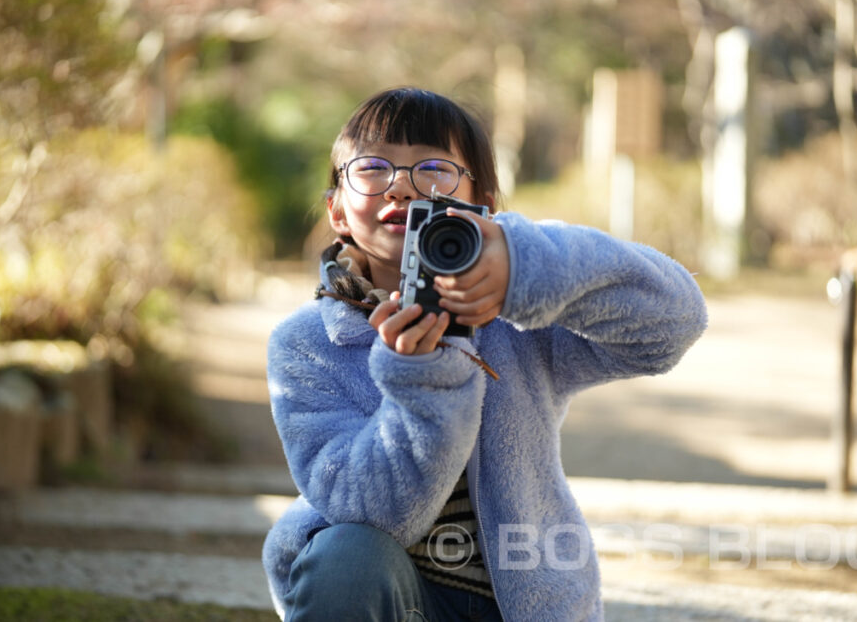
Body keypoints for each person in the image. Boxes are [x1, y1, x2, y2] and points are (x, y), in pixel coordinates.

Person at [261, 87, 707, 621]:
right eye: (373, 168)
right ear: (336, 209)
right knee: (347, 553)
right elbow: (376, 515)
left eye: (433, 169)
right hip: (390, 598)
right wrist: (422, 378)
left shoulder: (514, 319)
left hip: (520, 608)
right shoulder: (307, 345)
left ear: (483, 206)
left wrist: (527, 267)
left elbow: (673, 325)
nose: (401, 187)